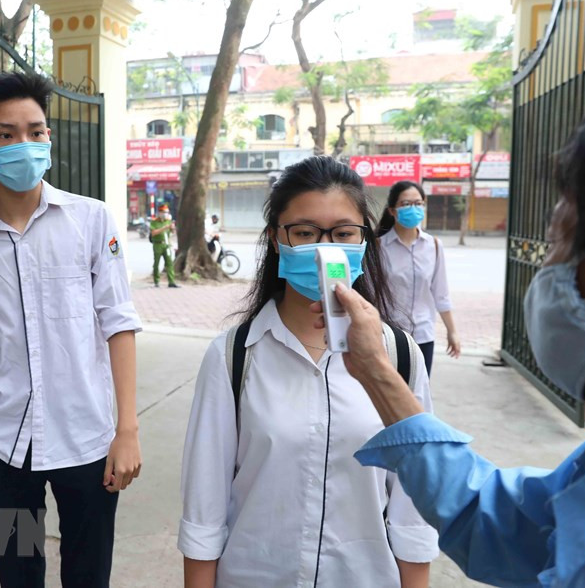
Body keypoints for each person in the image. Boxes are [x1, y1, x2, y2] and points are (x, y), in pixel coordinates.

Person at [318, 64, 585, 587]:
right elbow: (494, 518)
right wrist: (375, 367)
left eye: (559, 236)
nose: (545, 263)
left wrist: (437, 335)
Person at [0, 72, 143, 588]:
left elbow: (118, 322)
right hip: (2, 451)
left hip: (88, 445)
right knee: (18, 576)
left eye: (36, 131)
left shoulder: (90, 220)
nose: (25, 144)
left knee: (89, 577)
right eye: (6, 134)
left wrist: (126, 429)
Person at [179, 156, 439, 588]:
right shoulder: (233, 356)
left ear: (364, 241)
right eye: (304, 232)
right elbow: (204, 513)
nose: (324, 247)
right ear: (276, 240)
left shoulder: (399, 356)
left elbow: (413, 511)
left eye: (342, 233)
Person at [377, 181, 459, 376]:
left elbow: (441, 294)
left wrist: (452, 331)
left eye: (418, 203)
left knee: (418, 397)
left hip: (423, 335)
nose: (413, 209)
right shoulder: (378, 247)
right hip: (389, 335)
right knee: (387, 397)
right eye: (406, 204)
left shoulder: (434, 246)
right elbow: (372, 296)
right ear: (392, 210)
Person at [151, 203, 179, 288]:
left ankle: (171, 281)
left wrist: (172, 228)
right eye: (163, 212)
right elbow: (153, 233)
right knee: (156, 263)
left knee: (169, 263)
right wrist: (164, 228)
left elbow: (172, 233)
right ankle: (156, 281)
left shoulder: (168, 221)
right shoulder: (154, 222)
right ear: (159, 213)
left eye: (166, 212)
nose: (165, 213)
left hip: (166, 245)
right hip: (158, 245)